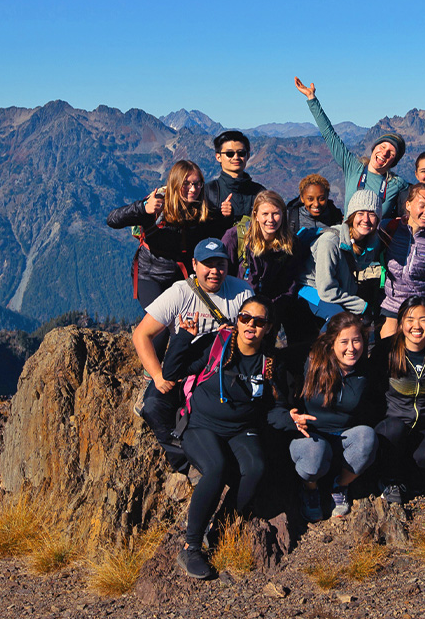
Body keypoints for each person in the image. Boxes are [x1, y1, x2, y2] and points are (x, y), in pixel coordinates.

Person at [162, 295, 289, 579]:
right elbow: (171, 371)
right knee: (216, 468)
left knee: (255, 469)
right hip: (201, 425)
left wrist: (291, 418)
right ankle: (191, 545)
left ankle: (218, 529)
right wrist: (184, 338)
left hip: (242, 429)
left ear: (268, 328)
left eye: (259, 322)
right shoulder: (217, 346)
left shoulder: (269, 362)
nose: (251, 325)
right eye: (245, 318)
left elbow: (277, 405)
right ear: (237, 319)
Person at [131, 238, 253, 473]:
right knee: (153, 406)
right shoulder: (179, 293)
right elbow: (141, 335)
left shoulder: (242, 292)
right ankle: (186, 462)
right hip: (182, 368)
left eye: (220, 264)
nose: (215, 271)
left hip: (223, 370)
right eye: (208, 264)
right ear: (194, 265)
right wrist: (157, 376)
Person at [274, 312, 379, 521]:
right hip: (310, 437)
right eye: (344, 341)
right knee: (315, 454)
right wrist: (286, 410)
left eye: (356, 340)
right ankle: (310, 489)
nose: (351, 348)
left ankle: (340, 486)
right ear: (331, 343)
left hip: (344, 439)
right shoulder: (310, 359)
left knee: (367, 437)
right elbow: (276, 359)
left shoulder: (365, 370)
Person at [108, 160, 219, 356]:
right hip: (150, 275)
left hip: (182, 278)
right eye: (187, 184)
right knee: (159, 328)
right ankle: (151, 377)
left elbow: (217, 231)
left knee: (187, 329)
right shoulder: (157, 204)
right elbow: (113, 219)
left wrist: (226, 216)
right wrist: (142, 208)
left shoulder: (201, 209)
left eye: (198, 183)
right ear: (176, 184)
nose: (193, 189)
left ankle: (175, 373)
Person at [372, 297, 425, 504]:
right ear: (400, 323)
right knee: (395, 431)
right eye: (410, 319)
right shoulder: (386, 350)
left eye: (423, 319)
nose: (416, 326)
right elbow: (372, 389)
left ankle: (406, 477)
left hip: (422, 425)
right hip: (391, 423)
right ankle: (389, 480)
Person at [294, 77, 408, 218]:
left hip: (377, 240)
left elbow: (423, 194)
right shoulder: (354, 168)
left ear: (394, 161)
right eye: (382, 146)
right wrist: (311, 98)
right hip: (347, 238)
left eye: (391, 153)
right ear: (374, 148)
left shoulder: (397, 184)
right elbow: (330, 135)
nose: (384, 153)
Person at [222, 191, 303, 340]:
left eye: (276, 214)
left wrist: (269, 312)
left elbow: (289, 285)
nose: (270, 219)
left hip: (269, 314)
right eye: (265, 214)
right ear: (256, 215)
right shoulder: (235, 238)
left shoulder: (290, 244)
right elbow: (224, 277)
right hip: (237, 312)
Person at [297, 188, 382, 324]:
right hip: (312, 290)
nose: (366, 220)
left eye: (371, 214)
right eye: (360, 213)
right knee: (341, 322)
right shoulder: (330, 242)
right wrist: (360, 306)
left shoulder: (370, 243)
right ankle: (322, 346)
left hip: (337, 291)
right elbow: (326, 290)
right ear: (351, 216)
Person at [379, 183, 425, 338]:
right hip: (393, 304)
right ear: (408, 205)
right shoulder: (390, 228)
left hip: (423, 304)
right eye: (422, 206)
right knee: (387, 343)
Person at [205, 130, 267, 231]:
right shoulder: (208, 192)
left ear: (248, 156)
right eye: (230, 154)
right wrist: (221, 217)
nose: (236, 157)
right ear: (218, 157)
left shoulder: (260, 193)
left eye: (241, 153)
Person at [286, 173, 344, 246]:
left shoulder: (335, 217)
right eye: (310, 199)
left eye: (321, 199)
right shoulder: (291, 217)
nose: (316, 204)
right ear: (302, 198)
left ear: (327, 197)